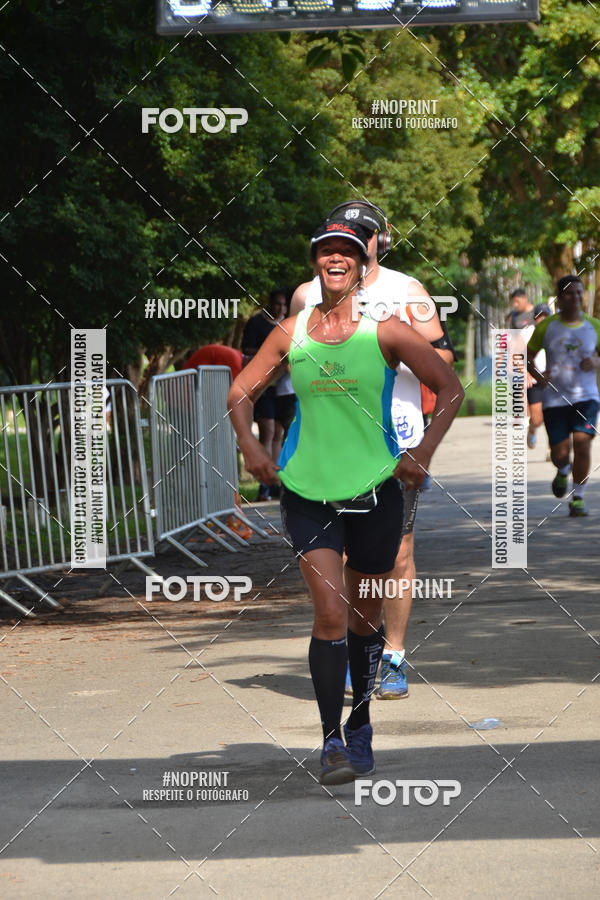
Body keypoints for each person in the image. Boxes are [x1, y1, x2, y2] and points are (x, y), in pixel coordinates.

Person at [228, 219, 463, 785]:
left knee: (364, 615)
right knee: (331, 612)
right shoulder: (291, 332)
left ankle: (361, 726)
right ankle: (332, 740)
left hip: (376, 489)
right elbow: (240, 391)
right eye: (326, 251)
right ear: (316, 263)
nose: (336, 259)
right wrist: (252, 448)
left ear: (360, 266)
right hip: (308, 491)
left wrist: (422, 451)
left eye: (346, 252)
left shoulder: (387, 332)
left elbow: (451, 387)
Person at [291, 200, 455, 701]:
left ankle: (393, 656)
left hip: (395, 437)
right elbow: (293, 354)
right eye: (340, 233)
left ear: (378, 240)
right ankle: (353, 645)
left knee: (397, 553)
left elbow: (444, 358)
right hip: (328, 446)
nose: (353, 242)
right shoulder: (306, 294)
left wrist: (390, 347)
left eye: (363, 233)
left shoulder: (408, 292)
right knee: (340, 555)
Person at [527, 276, 600, 516]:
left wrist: (596, 361)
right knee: (559, 453)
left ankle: (578, 497)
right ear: (559, 298)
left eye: (579, 292)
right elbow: (526, 356)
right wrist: (538, 376)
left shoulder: (594, 325)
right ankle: (563, 469)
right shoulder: (546, 327)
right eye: (569, 293)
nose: (575, 297)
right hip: (554, 398)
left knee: (582, 443)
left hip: (586, 397)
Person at [241, 289, 288, 501]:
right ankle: (264, 486)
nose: (280, 308)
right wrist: (271, 354)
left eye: (284, 305)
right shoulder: (256, 323)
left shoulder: (290, 324)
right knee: (267, 432)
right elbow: (246, 350)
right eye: (277, 304)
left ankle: (275, 481)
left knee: (278, 433)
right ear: (269, 303)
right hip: (264, 386)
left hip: (285, 388)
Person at [524, 304, 550, 449]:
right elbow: (518, 354)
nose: (542, 319)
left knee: (554, 417)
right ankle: (532, 429)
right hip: (536, 381)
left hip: (553, 380)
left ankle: (553, 447)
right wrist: (525, 372)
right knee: (537, 419)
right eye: (540, 316)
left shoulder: (556, 332)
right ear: (535, 318)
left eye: (545, 316)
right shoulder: (528, 332)